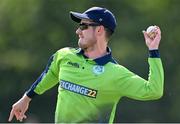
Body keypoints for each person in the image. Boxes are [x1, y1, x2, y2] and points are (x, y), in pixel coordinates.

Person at [8, 6, 164, 123]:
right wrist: (26, 98)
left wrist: (153, 50)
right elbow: (50, 75)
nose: (78, 31)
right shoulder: (64, 56)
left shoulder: (116, 73)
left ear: (99, 30)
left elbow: (154, 91)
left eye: (83, 26)